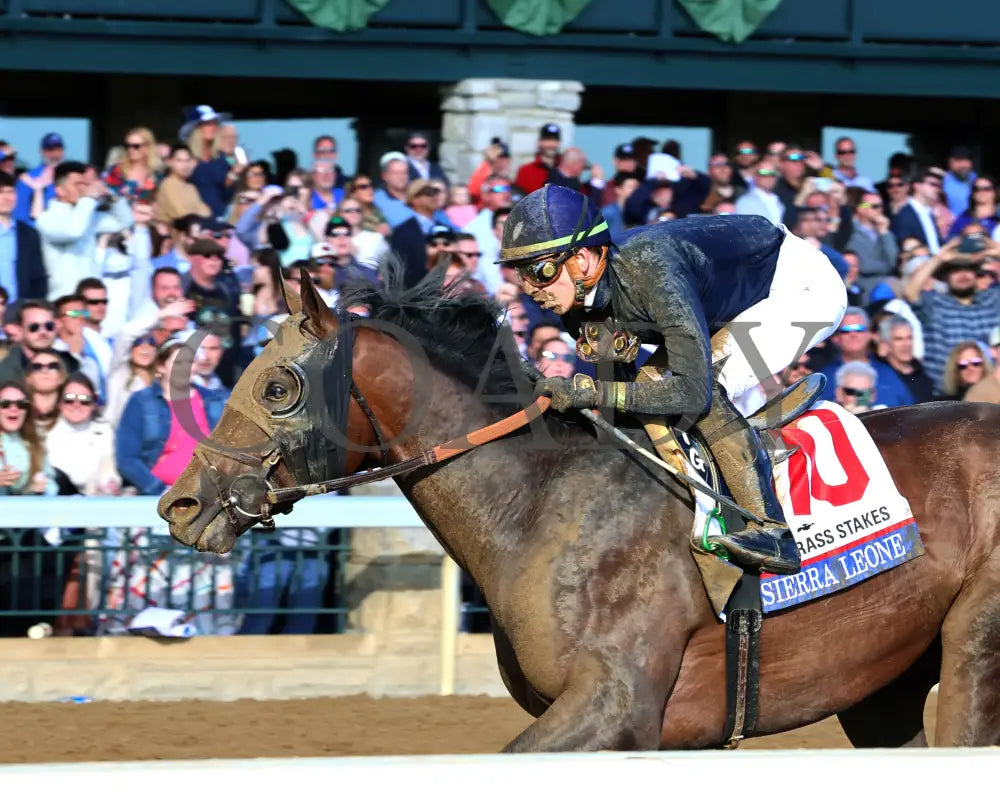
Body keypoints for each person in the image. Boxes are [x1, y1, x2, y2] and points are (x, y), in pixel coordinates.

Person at [498, 185, 847, 575]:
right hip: (732, 293)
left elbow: (691, 392)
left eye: (541, 271)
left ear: (581, 258)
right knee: (648, 386)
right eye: (521, 275)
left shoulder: (651, 269)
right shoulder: (574, 299)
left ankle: (772, 531)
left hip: (799, 288)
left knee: (705, 388)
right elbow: (623, 397)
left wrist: (591, 392)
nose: (532, 290)